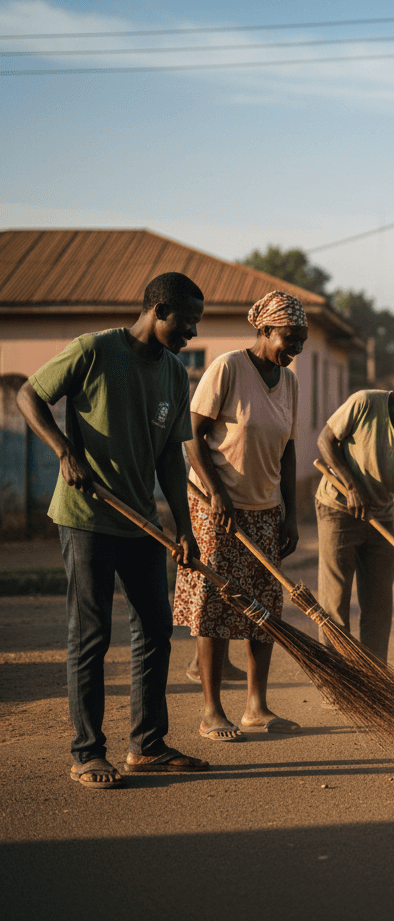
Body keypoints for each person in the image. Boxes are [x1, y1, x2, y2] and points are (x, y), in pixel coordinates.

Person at [16, 272, 209, 788]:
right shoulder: (94, 350)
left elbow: (171, 455)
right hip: (86, 516)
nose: (192, 333)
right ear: (158, 310)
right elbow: (28, 395)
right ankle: (87, 752)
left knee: (155, 629)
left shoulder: (174, 373)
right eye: (187, 322)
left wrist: (183, 526)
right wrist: (63, 451)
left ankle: (147, 746)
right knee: (92, 634)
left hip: (140, 518)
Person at [173, 291, 307, 740]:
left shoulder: (288, 382)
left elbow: (288, 451)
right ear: (265, 330)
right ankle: (212, 711)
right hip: (217, 509)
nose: (297, 349)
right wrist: (215, 493)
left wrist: (289, 513)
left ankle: (256, 707)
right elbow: (192, 435)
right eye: (290, 338)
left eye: (302, 341)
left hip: (266, 511)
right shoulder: (229, 367)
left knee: (264, 610)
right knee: (216, 607)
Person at [316, 356, 394, 663]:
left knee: (378, 606)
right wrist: (352, 486)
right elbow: (326, 440)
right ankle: (337, 680)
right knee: (336, 601)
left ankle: (374, 681)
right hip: (337, 507)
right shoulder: (364, 403)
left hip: (380, 514)